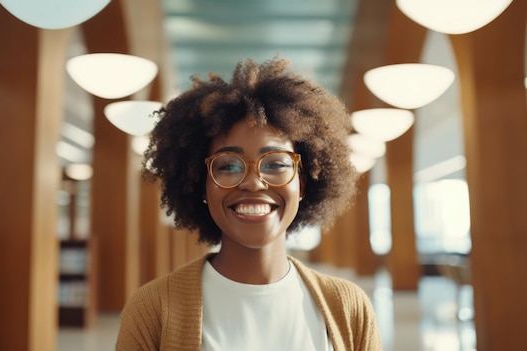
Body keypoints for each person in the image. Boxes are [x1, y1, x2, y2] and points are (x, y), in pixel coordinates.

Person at [115, 58, 382, 350]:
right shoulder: (152, 311)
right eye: (228, 166)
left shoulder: (349, 308)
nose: (253, 183)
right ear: (201, 185)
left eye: (276, 163)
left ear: (302, 182)